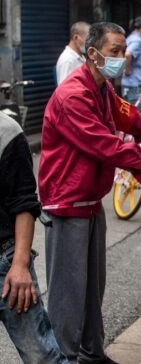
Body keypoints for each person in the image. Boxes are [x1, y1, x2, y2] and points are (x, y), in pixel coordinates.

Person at [39, 22, 141, 363]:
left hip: (89, 199)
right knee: (68, 293)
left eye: (123, 50)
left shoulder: (100, 88)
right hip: (67, 202)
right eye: (114, 51)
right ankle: (65, 358)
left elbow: (128, 116)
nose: (121, 57)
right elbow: (105, 145)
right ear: (93, 53)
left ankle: (91, 353)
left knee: (93, 287)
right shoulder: (73, 95)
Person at [0, 111, 68, 363]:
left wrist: (19, 265)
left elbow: (25, 203)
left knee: (42, 355)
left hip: (6, 265)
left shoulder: (6, 131)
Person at [122, 16, 141, 103]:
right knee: (134, 113)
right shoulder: (137, 41)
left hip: (127, 83)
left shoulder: (130, 38)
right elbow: (127, 54)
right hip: (135, 83)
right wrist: (128, 70)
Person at [55, 21, 89, 85]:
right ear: (76, 38)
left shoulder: (81, 57)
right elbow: (64, 90)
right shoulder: (67, 60)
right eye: (87, 40)